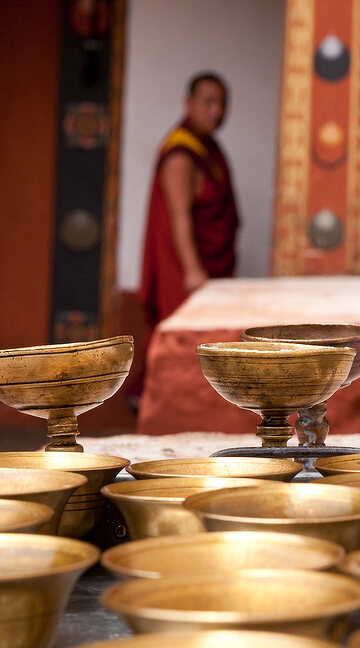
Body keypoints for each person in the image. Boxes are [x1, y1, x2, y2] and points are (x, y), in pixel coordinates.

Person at [131, 72, 239, 408]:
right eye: (208, 102)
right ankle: (153, 402)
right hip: (183, 269)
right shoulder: (181, 153)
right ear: (188, 104)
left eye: (222, 104)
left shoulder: (208, 149)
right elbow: (179, 216)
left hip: (204, 265)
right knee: (183, 341)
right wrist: (193, 271)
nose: (216, 111)